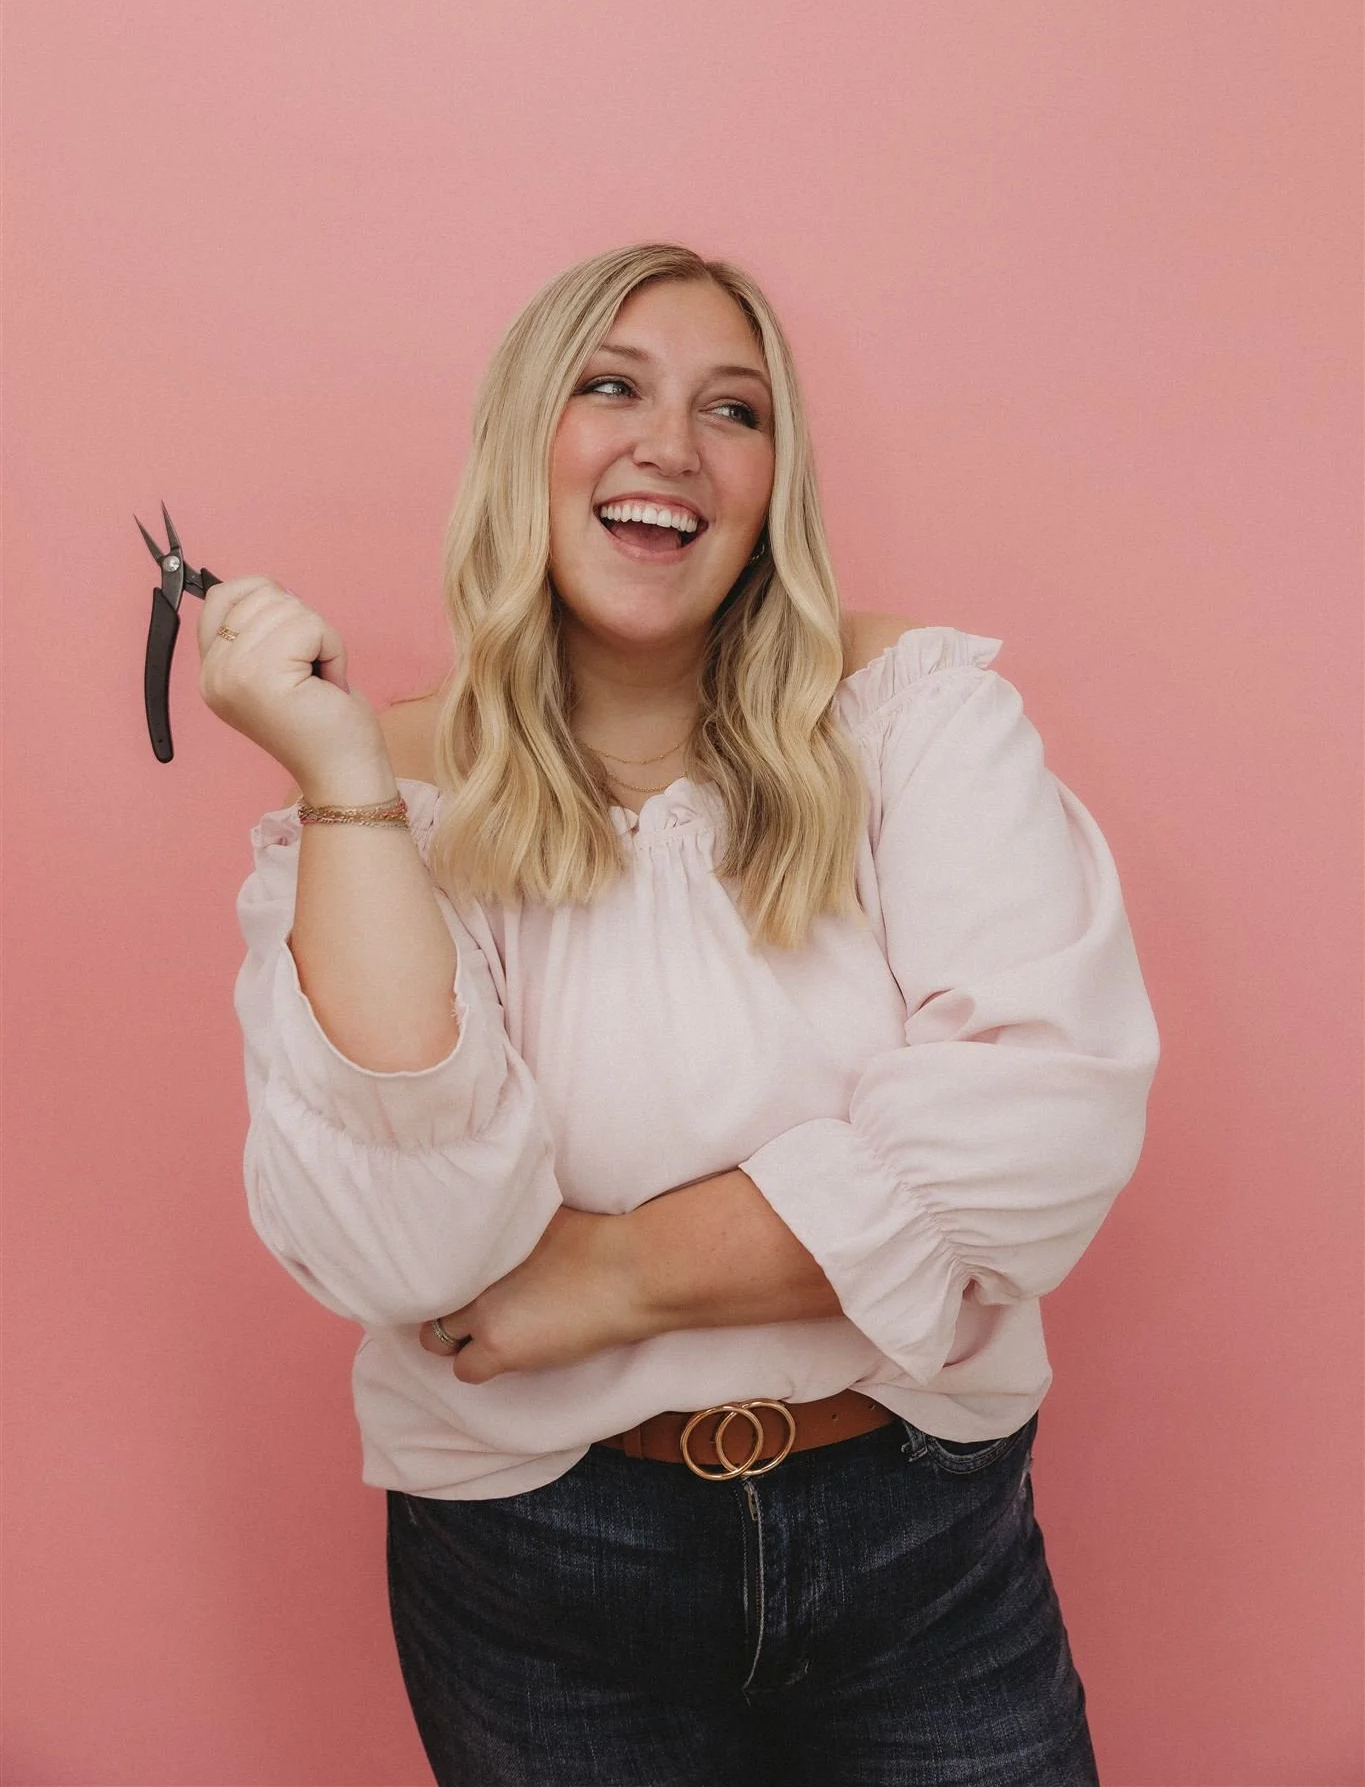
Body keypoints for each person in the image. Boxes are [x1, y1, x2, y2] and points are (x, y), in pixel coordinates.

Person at [198, 242, 1160, 1786]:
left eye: (736, 409)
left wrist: (612, 1278)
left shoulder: (916, 720)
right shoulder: (393, 798)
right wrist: (341, 785)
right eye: (611, 387)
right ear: (528, 443)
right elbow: (410, 1250)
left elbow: (1039, 1134)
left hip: (921, 1539)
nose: (671, 446)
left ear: (775, 485)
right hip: (537, 1564)